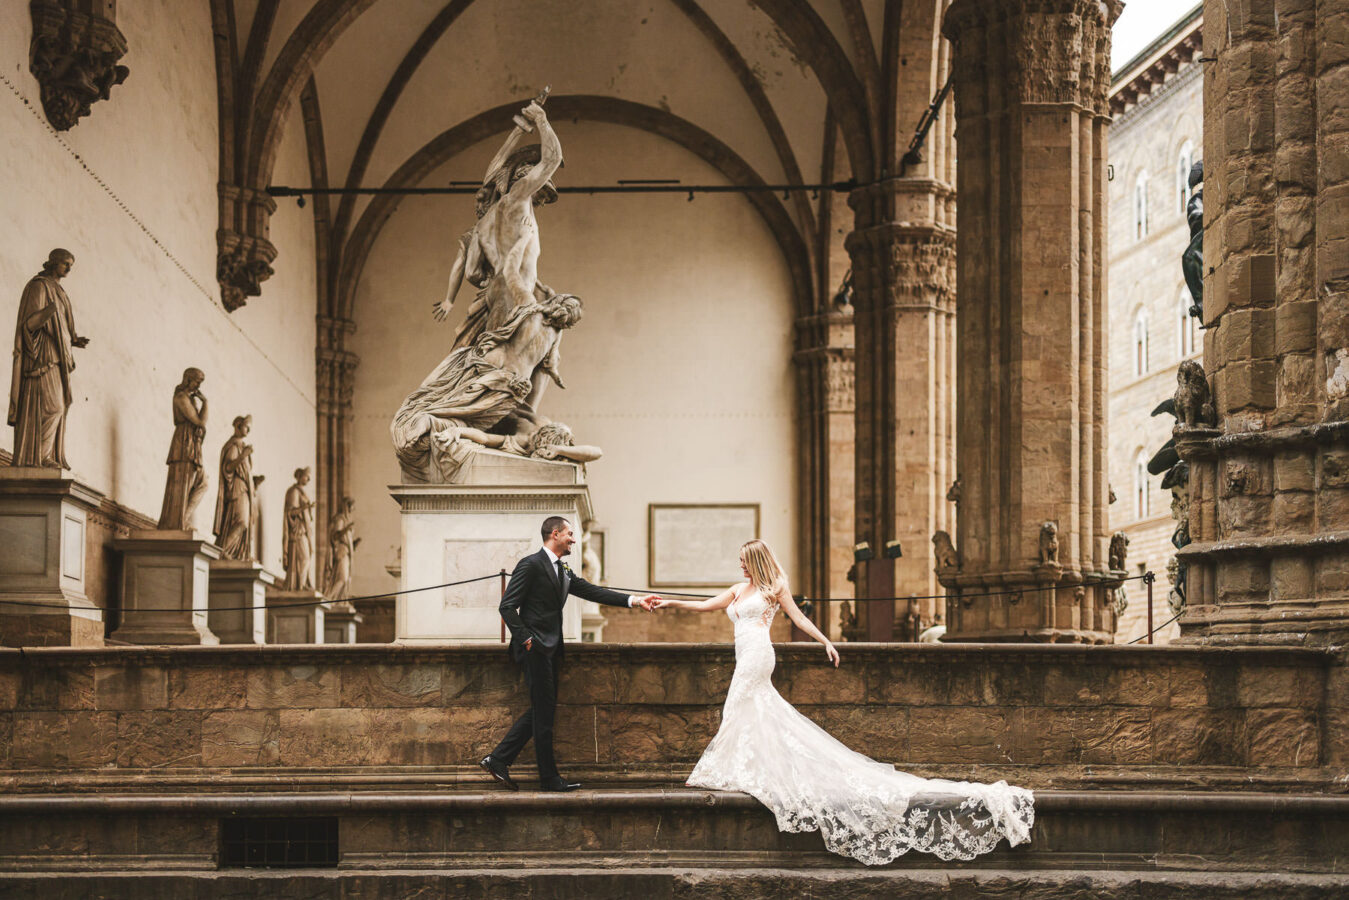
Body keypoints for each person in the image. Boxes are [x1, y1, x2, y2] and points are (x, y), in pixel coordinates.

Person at [654, 539, 1034, 865]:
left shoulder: (774, 588)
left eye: (743, 560)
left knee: (741, 706)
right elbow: (704, 605)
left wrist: (825, 640)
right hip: (744, 653)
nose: (739, 565)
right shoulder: (738, 590)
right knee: (752, 710)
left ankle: (735, 769)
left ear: (756, 560)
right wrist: (666, 604)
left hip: (758, 654)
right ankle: (744, 767)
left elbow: (799, 618)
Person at [480, 516, 659, 793]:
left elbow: (592, 591)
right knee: (544, 712)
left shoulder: (562, 569)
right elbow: (507, 607)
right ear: (555, 534)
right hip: (536, 650)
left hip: (551, 650)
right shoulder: (530, 564)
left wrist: (634, 601)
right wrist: (527, 639)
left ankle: (500, 759)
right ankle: (545, 777)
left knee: (543, 710)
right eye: (570, 534)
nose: (574, 539)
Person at [8, 248, 88, 468]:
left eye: (71, 264)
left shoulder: (60, 291)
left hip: (58, 357)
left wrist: (73, 340)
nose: (69, 268)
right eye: (65, 263)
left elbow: (61, 327)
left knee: (60, 406)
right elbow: (30, 324)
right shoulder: (39, 286)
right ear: (53, 263)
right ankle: (39, 458)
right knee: (53, 407)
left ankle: (47, 456)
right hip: (41, 357)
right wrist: (49, 311)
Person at [157, 368, 208, 531]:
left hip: (191, 442)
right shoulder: (181, 398)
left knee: (201, 482)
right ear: (188, 379)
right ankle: (177, 523)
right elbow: (199, 422)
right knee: (184, 483)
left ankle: (181, 520)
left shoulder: (189, 399)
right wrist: (205, 403)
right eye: (197, 382)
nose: (198, 386)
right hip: (184, 442)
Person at [213, 415, 256, 559]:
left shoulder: (242, 446)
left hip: (245, 489)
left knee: (245, 522)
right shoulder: (232, 446)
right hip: (238, 488)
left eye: (249, 428)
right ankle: (222, 551)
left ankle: (236, 553)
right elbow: (228, 468)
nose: (248, 430)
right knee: (241, 522)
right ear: (238, 426)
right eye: (246, 426)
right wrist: (242, 456)